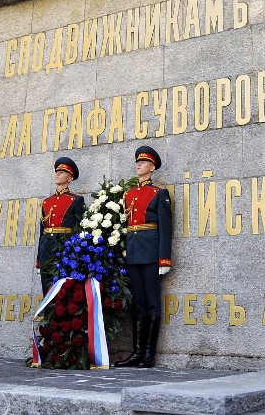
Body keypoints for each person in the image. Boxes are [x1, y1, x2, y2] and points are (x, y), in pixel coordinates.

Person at [115, 145, 171, 368]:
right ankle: (137, 352)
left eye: (143, 162)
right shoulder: (128, 195)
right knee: (138, 304)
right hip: (134, 253)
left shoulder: (159, 194)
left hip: (151, 254)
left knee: (152, 304)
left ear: (152, 167)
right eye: (137, 162)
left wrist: (164, 259)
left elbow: (166, 229)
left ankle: (149, 353)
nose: (138, 165)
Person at [36, 157, 85, 295]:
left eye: (62, 172)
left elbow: (80, 228)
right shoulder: (46, 202)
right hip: (46, 246)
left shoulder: (76, 200)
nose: (57, 174)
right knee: (46, 282)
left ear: (70, 178)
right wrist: (39, 257)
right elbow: (42, 231)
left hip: (64, 245)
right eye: (57, 171)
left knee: (64, 285)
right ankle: (48, 315)